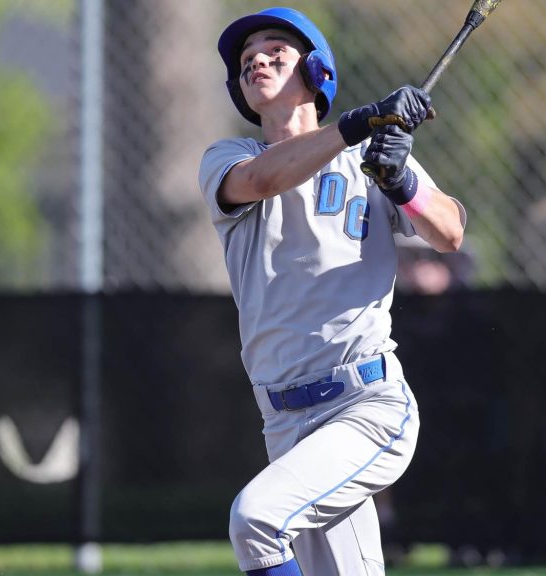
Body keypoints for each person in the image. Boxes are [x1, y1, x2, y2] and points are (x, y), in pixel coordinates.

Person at [198, 7, 467, 575]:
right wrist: (357, 124)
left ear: (317, 71)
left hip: (365, 403)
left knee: (257, 521)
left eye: (277, 49)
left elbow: (449, 233)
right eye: (248, 58)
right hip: (284, 418)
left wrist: (403, 181)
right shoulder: (228, 159)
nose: (258, 59)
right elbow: (266, 179)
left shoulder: (368, 160)